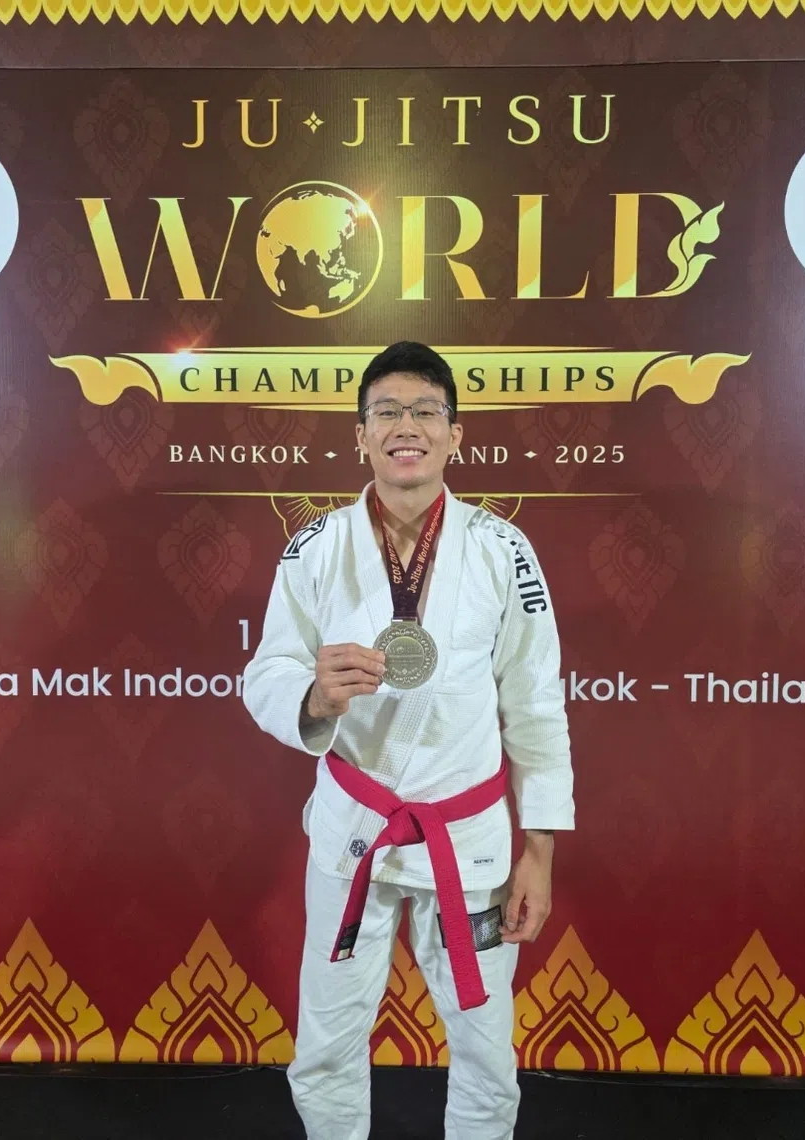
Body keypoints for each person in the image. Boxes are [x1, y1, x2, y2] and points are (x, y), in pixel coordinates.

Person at [242, 341, 574, 1140]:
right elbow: (266, 675)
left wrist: (541, 850)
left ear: (456, 437)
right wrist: (315, 693)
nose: (407, 426)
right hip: (354, 832)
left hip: (470, 841)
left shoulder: (504, 551)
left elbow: (535, 704)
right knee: (325, 1045)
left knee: (488, 1052)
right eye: (386, 412)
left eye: (427, 412)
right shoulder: (314, 548)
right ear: (360, 436)